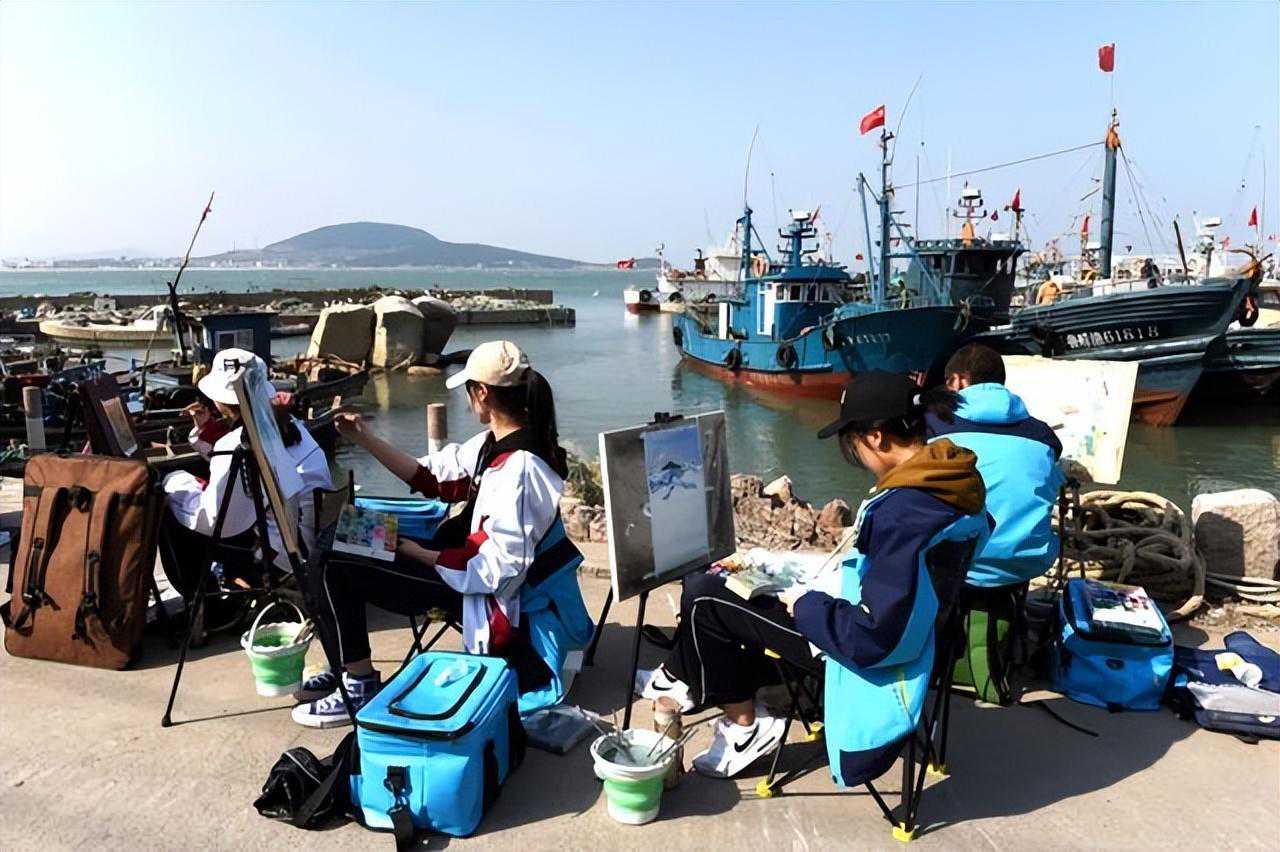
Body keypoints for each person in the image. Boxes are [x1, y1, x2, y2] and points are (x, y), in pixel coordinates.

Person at [637, 371, 989, 781]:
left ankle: (744, 726)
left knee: (705, 595)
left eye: (853, 445)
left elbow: (872, 637)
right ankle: (683, 676)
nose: (856, 457)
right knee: (732, 585)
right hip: (931, 636)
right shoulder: (954, 479)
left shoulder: (901, 513)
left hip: (871, 656)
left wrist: (806, 604)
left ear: (877, 437)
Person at [292, 340, 585, 728]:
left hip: (470, 586)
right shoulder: (493, 445)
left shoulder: (522, 469)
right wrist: (364, 437)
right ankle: (347, 663)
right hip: (453, 559)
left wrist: (416, 552)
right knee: (339, 532)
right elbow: (430, 478)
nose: (467, 401)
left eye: (468, 391)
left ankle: (359, 681)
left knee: (334, 561)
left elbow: (498, 567)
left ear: (481, 393)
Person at [160, 350, 333, 624]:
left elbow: (215, 520)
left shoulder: (238, 444)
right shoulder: (290, 426)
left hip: (281, 555)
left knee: (175, 519)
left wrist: (174, 485)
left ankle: (208, 610)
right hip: (309, 541)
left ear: (221, 401)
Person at [928, 343, 1064, 588]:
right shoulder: (1044, 436)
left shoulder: (932, 429)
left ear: (958, 381)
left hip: (960, 562)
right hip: (1027, 561)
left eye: (948, 383)